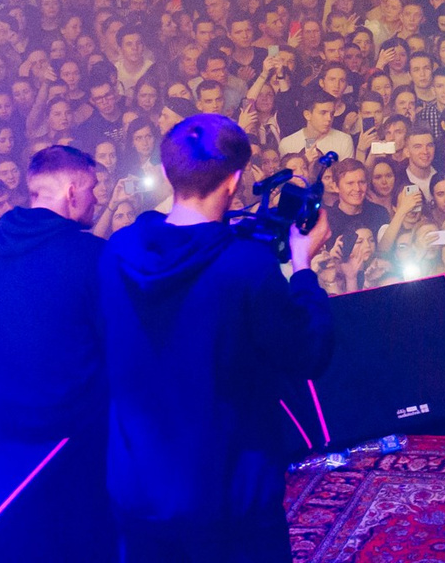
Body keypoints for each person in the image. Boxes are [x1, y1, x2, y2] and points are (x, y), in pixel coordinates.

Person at [101, 114, 335, 563]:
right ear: (235, 180)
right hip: (228, 496)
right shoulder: (244, 267)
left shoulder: (116, 252)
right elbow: (309, 353)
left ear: (168, 174)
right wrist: (303, 268)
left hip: (139, 491)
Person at [0, 145, 110, 559]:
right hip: (68, 432)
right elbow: (112, 342)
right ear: (71, 191)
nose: (96, 198)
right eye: (92, 188)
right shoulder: (90, 256)